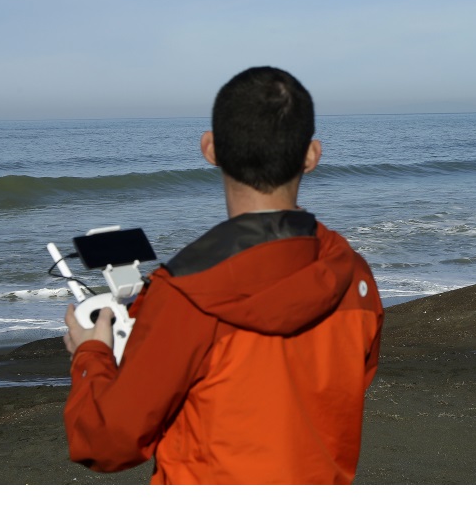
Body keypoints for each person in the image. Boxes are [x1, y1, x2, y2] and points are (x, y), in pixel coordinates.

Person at [62, 66, 384, 484]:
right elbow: (344, 384)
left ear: (210, 149)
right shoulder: (353, 275)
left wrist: (91, 356)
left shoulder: (187, 295)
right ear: (311, 155)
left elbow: (108, 442)